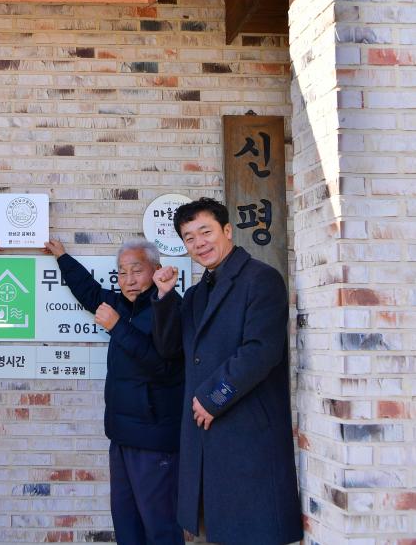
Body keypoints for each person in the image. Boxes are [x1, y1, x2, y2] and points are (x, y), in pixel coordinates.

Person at [151, 197, 303, 544]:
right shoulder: (196, 293)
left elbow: (261, 351)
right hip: (206, 443)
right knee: (214, 530)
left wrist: (213, 397)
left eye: (206, 232)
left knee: (249, 532)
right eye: (189, 237)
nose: (199, 243)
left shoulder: (261, 279)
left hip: (245, 434)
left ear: (228, 230)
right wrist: (164, 297)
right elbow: (171, 350)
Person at [44, 239, 184, 545]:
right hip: (121, 436)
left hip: (154, 440)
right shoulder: (121, 304)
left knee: (160, 526)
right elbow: (89, 291)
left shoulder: (170, 307)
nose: (129, 279)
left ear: (156, 270)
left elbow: (164, 366)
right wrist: (62, 256)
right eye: (122, 272)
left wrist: (118, 327)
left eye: (136, 270)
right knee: (127, 525)